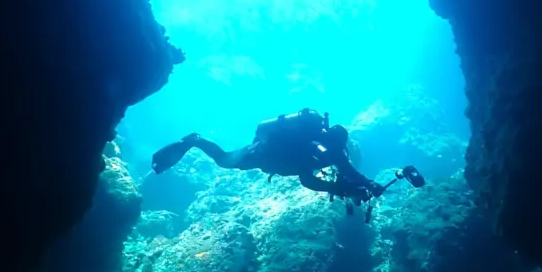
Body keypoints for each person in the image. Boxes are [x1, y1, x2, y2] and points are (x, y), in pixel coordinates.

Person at [150, 108, 385, 202]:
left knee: (224, 160)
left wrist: (369, 183)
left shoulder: (328, 149)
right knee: (223, 161)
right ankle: (196, 140)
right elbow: (308, 180)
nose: (340, 154)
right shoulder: (319, 149)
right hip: (262, 154)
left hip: (265, 156)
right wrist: (337, 188)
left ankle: (196, 141)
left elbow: (348, 170)